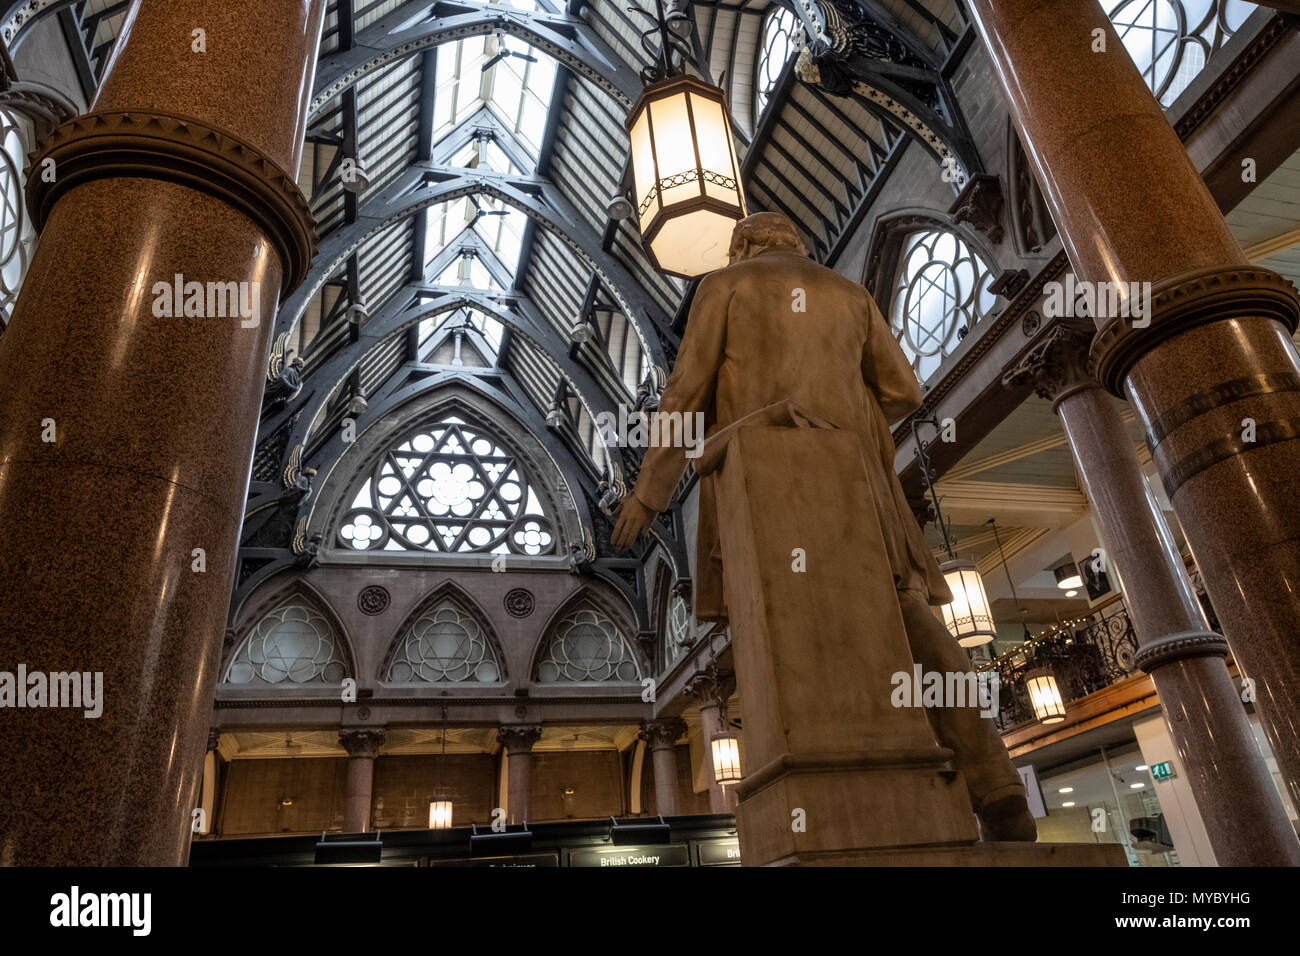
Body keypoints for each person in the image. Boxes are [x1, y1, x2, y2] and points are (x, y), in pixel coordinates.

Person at [611, 211, 1036, 841]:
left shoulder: (725, 287)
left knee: (782, 628)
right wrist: (839, 412)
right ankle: (995, 781)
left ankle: (820, 782)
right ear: (797, 242)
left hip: (769, 490)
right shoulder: (849, 293)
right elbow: (904, 393)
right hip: (857, 486)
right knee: (906, 617)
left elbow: (683, 393)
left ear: (743, 246)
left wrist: (647, 494)